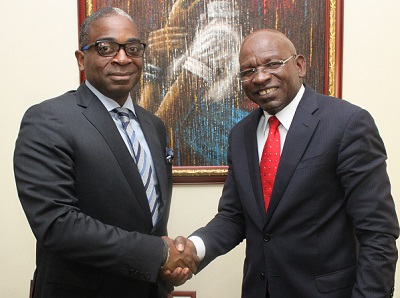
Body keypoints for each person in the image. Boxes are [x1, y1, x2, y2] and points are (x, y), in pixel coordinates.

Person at [169, 29, 399, 297]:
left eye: (272, 64)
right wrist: (194, 249)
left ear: (299, 65)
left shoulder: (346, 123)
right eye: (248, 71)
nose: (261, 77)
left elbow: (378, 232)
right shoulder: (240, 134)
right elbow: (234, 217)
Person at [13, 7, 198, 298]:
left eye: (132, 48)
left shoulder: (154, 125)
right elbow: (57, 224)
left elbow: (148, 217)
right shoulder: (49, 119)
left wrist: (167, 264)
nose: (122, 58)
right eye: (106, 48)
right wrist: (158, 254)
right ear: (81, 59)